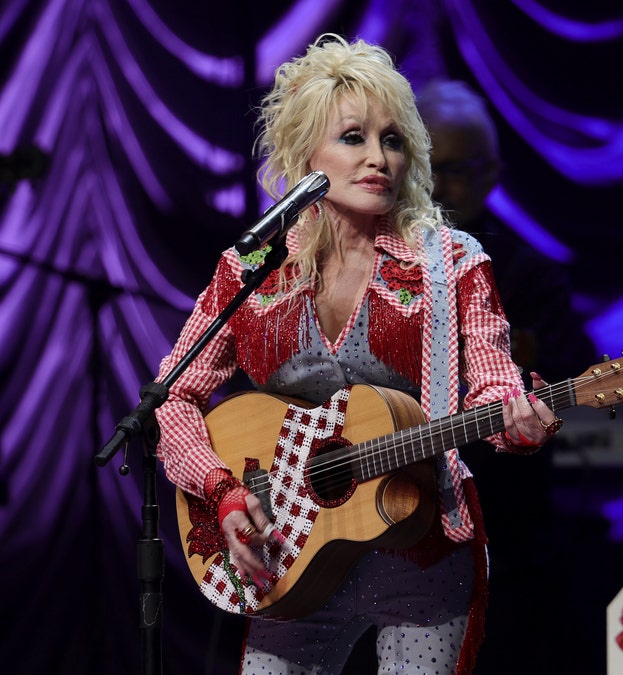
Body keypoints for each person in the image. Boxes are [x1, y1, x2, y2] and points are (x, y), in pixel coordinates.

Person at [154, 34, 563, 674]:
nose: (378, 158)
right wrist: (224, 492)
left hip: (422, 551)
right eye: (353, 137)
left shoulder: (450, 261)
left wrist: (518, 422)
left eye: (393, 140)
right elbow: (173, 395)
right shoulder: (252, 270)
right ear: (303, 153)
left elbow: (493, 382)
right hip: (288, 553)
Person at [415, 79, 597, 673]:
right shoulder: (369, 266)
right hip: (386, 542)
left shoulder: (530, 277)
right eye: (425, 166)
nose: (439, 186)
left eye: (457, 169)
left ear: (493, 174)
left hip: (504, 541)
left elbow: (574, 385)